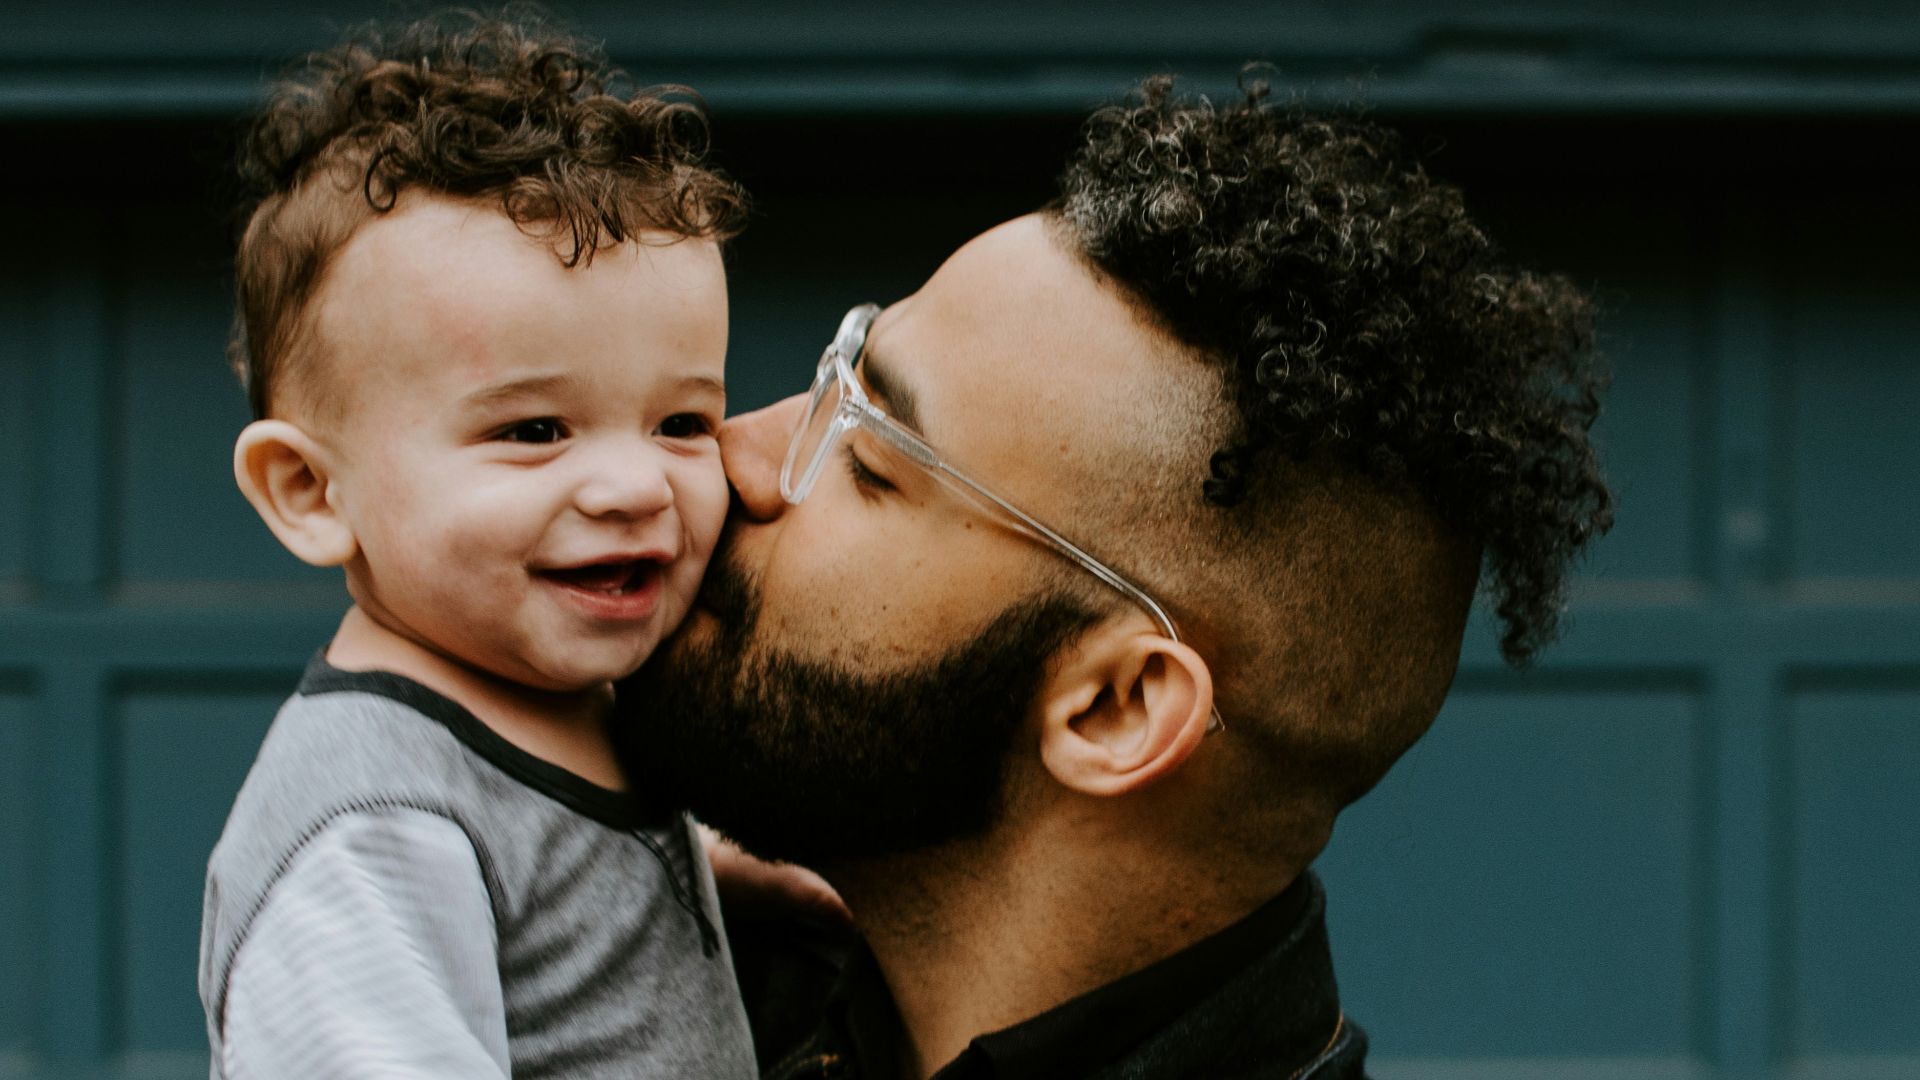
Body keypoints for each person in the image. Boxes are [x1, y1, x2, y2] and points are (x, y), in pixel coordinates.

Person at [621, 75, 1613, 1079]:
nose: (731, 455)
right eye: (836, 377)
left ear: (1116, 707)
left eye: (872, 463)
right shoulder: (645, 963)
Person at [198, 14, 760, 1078]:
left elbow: (560, 879)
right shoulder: (371, 836)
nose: (637, 486)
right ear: (312, 492)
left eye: (682, 423)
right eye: (534, 431)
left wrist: (728, 877)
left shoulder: (562, 694)